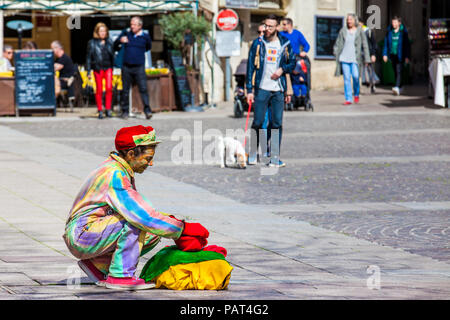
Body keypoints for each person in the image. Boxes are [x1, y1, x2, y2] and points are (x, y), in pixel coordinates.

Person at [63, 125, 209, 290]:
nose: (151, 163)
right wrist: (182, 229)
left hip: (91, 233)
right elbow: (141, 216)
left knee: (152, 233)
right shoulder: (114, 174)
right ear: (131, 154)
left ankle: (98, 266)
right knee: (137, 221)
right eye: (148, 158)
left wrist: (173, 222)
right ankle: (121, 276)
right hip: (82, 235)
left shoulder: (120, 169)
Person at [246, 14, 295, 168]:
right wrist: (249, 89)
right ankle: (253, 153)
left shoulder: (285, 43)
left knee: (277, 123)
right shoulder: (258, 44)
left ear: (277, 27)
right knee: (258, 121)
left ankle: (274, 157)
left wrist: (282, 69)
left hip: (278, 90)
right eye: (265, 25)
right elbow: (250, 67)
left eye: (270, 26)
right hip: (262, 88)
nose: (267, 29)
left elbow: (292, 62)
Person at [114, 16, 153, 120]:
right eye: (131, 24)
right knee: (125, 90)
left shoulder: (145, 37)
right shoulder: (126, 33)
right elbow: (115, 44)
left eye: (134, 24)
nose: (132, 26)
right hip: (126, 66)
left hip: (139, 67)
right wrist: (120, 41)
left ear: (140, 26)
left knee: (143, 89)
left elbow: (148, 47)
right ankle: (125, 111)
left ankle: (147, 110)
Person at [333, 14, 370, 105]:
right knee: (346, 79)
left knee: (356, 77)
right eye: (348, 19)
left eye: (350, 19)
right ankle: (348, 99)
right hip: (344, 58)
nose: (349, 21)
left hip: (355, 59)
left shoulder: (359, 31)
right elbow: (338, 43)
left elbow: (365, 45)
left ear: (355, 20)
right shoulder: (343, 31)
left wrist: (367, 58)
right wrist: (335, 52)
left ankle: (356, 94)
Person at [86, 22, 115, 119]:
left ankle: (108, 109)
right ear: (97, 32)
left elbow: (113, 55)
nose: (102, 33)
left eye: (104, 31)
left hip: (108, 68)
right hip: (98, 68)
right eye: (100, 31)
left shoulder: (110, 41)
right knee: (99, 89)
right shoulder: (92, 42)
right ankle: (100, 110)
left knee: (109, 88)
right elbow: (89, 58)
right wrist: (88, 71)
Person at [382, 16, 411, 96]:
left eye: (395, 22)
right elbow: (386, 44)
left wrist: (407, 56)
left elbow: (407, 45)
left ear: (399, 23)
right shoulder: (389, 31)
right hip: (392, 54)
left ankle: (397, 87)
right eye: (392, 22)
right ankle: (400, 86)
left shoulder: (403, 32)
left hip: (400, 55)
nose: (393, 24)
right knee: (395, 71)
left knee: (399, 70)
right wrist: (384, 54)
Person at [359, 18, 379, 94]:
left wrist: (373, 54)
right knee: (361, 70)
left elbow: (374, 44)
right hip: (360, 54)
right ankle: (363, 84)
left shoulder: (368, 31)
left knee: (370, 69)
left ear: (362, 23)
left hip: (368, 53)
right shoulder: (356, 31)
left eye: (360, 23)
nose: (359, 25)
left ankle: (372, 84)